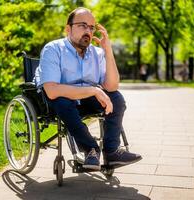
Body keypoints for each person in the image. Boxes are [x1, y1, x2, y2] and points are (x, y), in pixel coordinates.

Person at [35, 7, 142, 170]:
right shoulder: (53, 49)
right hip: (60, 101)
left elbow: (112, 86)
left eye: (91, 27)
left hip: (85, 99)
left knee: (117, 99)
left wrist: (108, 51)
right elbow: (52, 90)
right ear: (68, 28)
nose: (88, 31)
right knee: (62, 101)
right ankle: (91, 149)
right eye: (83, 25)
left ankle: (112, 152)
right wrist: (94, 91)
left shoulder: (97, 53)